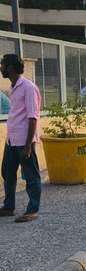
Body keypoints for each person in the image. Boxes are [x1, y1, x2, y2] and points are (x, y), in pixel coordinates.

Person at [1, 53, 42, 223]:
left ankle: (32, 210)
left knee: (31, 176)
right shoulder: (13, 87)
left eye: (3, 64)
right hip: (12, 140)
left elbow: (33, 117)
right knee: (7, 173)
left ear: (10, 67)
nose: (1, 68)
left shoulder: (28, 87)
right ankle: (8, 207)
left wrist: (27, 146)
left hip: (24, 141)